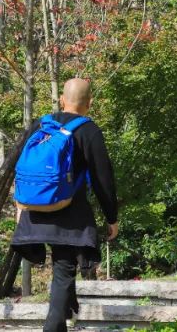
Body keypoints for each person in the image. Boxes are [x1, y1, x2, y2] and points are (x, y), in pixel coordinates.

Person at [11, 79, 118, 332]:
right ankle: (53, 326)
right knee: (63, 267)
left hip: (33, 210)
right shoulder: (89, 131)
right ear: (89, 103)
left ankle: (68, 305)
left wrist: (20, 206)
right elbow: (103, 179)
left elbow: (21, 168)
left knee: (63, 264)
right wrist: (111, 217)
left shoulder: (41, 124)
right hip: (67, 211)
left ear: (62, 99)